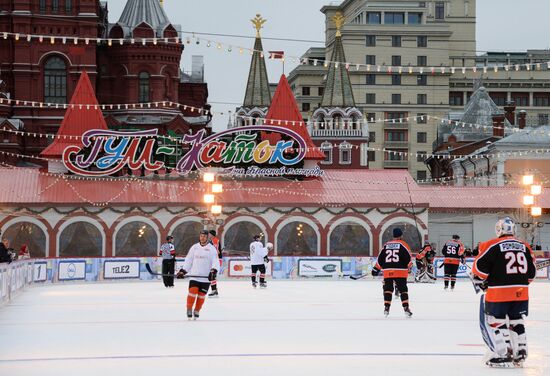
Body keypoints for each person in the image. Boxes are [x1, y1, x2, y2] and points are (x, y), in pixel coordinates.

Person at [472, 217, 536, 368]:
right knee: (516, 320)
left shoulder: (491, 245)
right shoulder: (525, 246)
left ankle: (503, 353)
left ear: (499, 230)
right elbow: (532, 274)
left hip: (498, 291)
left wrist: (483, 280)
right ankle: (521, 351)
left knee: (496, 320)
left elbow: (479, 268)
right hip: (521, 291)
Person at [177, 230, 219, 320]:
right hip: (194, 276)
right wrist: (183, 271)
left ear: (207, 238)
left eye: (204, 236)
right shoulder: (194, 247)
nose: (202, 238)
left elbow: (215, 261)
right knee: (192, 292)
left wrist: (213, 271)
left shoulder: (211, 249)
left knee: (201, 296)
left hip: (205, 278)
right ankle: (189, 308)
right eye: (201, 236)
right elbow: (189, 260)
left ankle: (197, 310)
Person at [372, 228, 413, 318]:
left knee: (388, 290)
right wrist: (410, 266)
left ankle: (386, 308)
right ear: (401, 235)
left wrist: (376, 269)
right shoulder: (403, 244)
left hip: (388, 270)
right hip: (400, 271)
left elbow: (380, 258)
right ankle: (406, 309)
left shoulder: (386, 245)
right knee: (403, 290)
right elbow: (408, 257)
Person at [208, 230, 222, 297]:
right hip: (214, 260)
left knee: (212, 275)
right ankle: (215, 290)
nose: (208, 235)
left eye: (209, 234)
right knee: (212, 275)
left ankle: (214, 291)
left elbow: (216, 251)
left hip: (216, 260)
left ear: (212, 234)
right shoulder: (212, 241)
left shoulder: (215, 240)